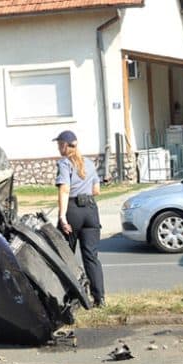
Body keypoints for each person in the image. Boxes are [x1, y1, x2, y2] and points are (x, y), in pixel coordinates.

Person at [53, 130, 105, 307]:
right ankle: (100, 298)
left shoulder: (64, 164)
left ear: (67, 145)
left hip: (73, 211)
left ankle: (72, 298)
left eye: (60, 144)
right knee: (91, 256)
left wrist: (62, 217)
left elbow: (65, 190)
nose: (58, 147)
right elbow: (97, 190)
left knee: (66, 255)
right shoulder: (89, 163)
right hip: (91, 211)